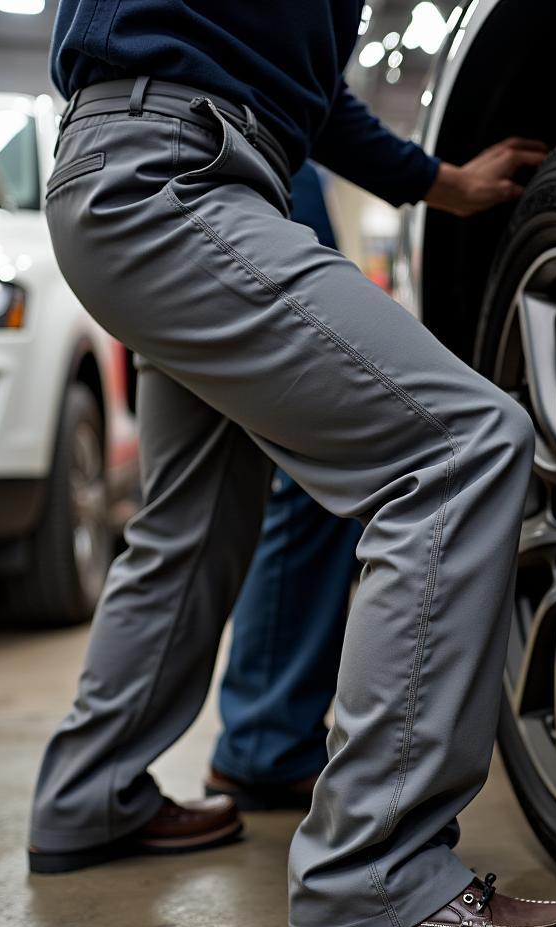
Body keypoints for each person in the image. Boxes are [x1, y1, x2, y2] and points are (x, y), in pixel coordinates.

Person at [27, 0, 556, 927]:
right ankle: (369, 876)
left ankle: (91, 795)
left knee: (193, 525)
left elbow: (312, 92)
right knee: (460, 450)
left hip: (168, 168)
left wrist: (436, 182)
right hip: (173, 175)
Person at [207, 162, 361, 812]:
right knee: (317, 467)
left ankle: (265, 737)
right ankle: (264, 742)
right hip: (255, 165)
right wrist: (430, 177)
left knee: (298, 470)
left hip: (235, 167)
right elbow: (326, 101)